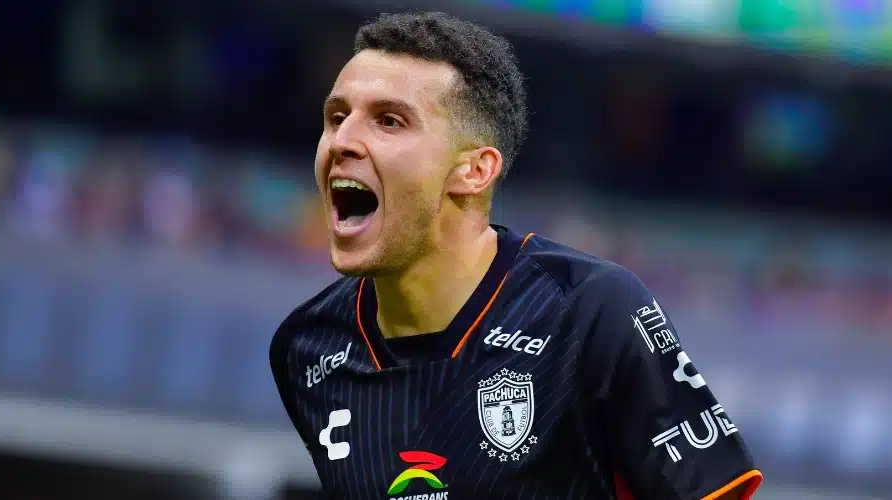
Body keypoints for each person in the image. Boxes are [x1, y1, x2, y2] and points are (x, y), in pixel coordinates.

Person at [270, 11, 761, 500]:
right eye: (336, 117)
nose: (342, 141)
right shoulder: (305, 349)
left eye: (389, 121)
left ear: (475, 171)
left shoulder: (591, 311)